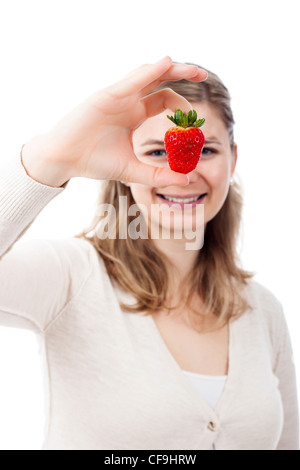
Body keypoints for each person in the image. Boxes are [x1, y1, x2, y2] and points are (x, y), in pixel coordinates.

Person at [0, 57, 298, 450]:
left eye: (206, 150)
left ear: (234, 159)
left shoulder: (263, 310)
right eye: (158, 152)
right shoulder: (71, 275)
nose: (184, 174)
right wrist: (52, 158)